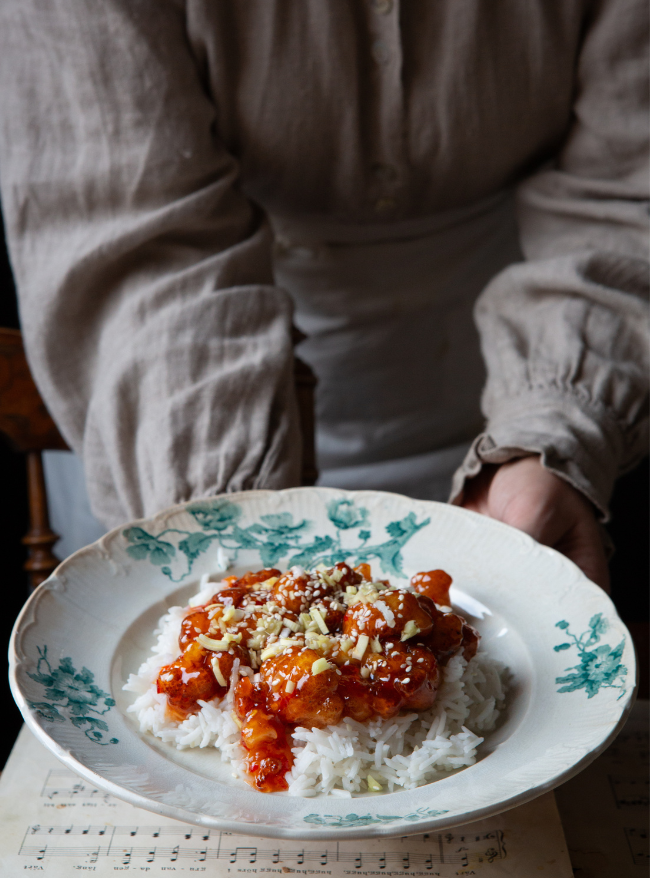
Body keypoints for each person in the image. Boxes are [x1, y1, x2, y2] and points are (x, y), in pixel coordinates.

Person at [0, 1, 647, 592]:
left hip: (509, 376)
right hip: (170, 401)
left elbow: (625, 189)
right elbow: (139, 232)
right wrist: (226, 525)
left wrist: (551, 432)